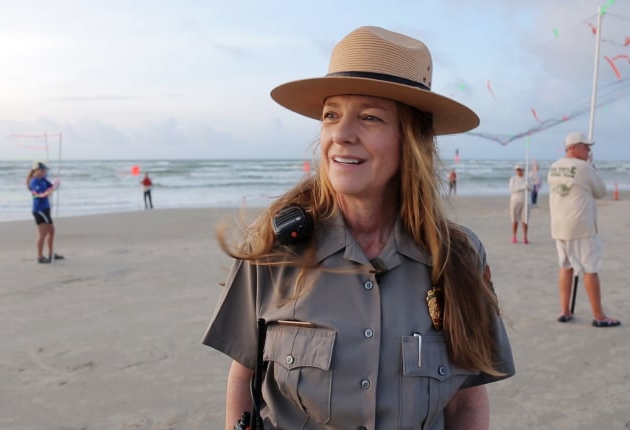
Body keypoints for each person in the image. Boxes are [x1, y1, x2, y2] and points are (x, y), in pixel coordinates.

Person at [202, 26, 514, 429]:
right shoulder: (273, 247)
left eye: (369, 117)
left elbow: (465, 403)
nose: (342, 135)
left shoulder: (458, 258)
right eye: (331, 115)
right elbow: (243, 378)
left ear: (412, 139)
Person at [548, 132, 619, 327]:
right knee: (590, 269)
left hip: (559, 225)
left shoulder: (554, 167)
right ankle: (599, 315)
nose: (589, 150)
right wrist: (592, 168)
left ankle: (565, 310)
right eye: (586, 146)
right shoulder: (584, 167)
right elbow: (601, 191)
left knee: (565, 266)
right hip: (581, 226)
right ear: (574, 147)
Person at [27, 161, 63, 264]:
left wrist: (56, 184)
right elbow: (40, 195)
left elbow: (50, 186)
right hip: (39, 210)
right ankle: (40, 256)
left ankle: (51, 253)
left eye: (45, 170)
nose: (44, 172)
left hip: (45, 208)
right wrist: (51, 190)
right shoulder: (34, 182)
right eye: (42, 170)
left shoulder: (42, 179)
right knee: (42, 234)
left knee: (51, 231)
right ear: (36, 171)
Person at [509, 164, 529, 244]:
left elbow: (531, 188)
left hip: (526, 201)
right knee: (515, 219)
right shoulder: (513, 179)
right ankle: (514, 236)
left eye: (520, 169)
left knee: (525, 219)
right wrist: (522, 187)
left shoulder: (527, 179)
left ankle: (525, 236)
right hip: (515, 201)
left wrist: (528, 186)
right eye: (517, 170)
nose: (518, 171)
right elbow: (512, 189)